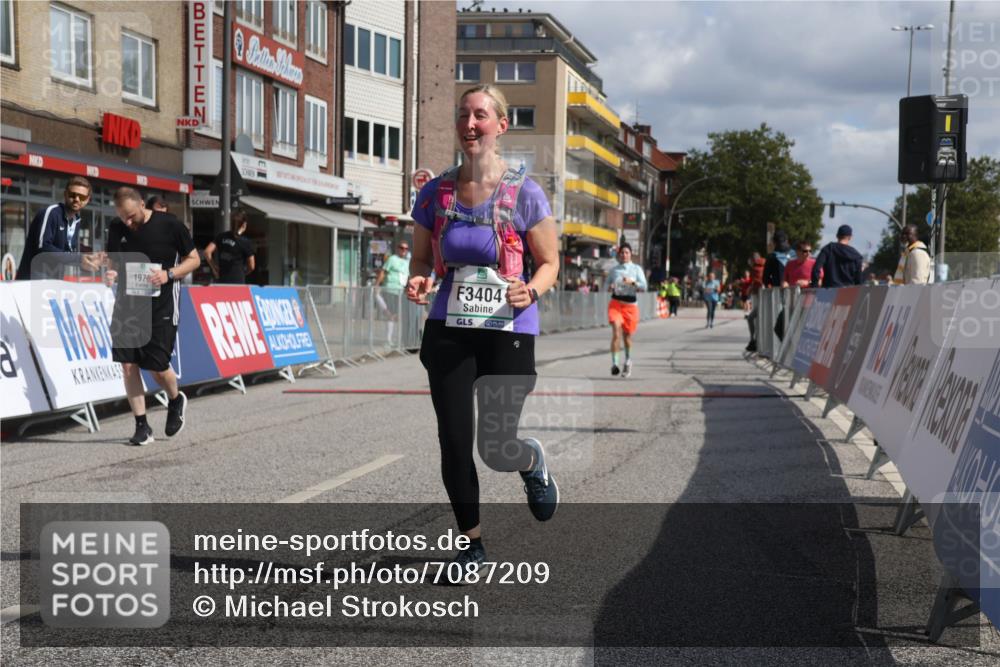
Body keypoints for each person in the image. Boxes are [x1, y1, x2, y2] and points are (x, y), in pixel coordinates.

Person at [406, 84, 561, 576]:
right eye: (463, 116)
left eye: (480, 116)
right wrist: (418, 278)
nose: (469, 124)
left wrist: (530, 291)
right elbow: (421, 258)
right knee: (454, 439)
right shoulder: (436, 193)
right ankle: (471, 544)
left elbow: (550, 262)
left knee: (496, 447)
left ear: (500, 125)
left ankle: (529, 461)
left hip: (509, 328)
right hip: (450, 326)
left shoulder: (525, 194)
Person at [103, 187, 200, 445]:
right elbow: (113, 264)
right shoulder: (117, 228)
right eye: (123, 217)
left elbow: (194, 260)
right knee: (127, 364)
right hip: (128, 302)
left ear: (142, 204)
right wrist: (110, 273)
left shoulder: (170, 225)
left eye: (132, 216)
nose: (128, 222)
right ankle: (142, 426)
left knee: (157, 366)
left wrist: (169, 274)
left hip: (162, 302)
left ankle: (175, 399)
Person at [16, 176, 92, 280]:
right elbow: (43, 247)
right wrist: (79, 258)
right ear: (65, 194)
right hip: (33, 280)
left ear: (87, 200)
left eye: (82, 197)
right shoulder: (51, 213)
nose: (76, 199)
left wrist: (89, 259)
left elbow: (66, 253)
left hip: (55, 280)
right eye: (72, 195)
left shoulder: (76, 221)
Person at [603, 243, 647, 378]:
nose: (624, 255)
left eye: (627, 252)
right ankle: (615, 364)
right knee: (616, 331)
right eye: (622, 252)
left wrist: (631, 282)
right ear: (619, 254)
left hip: (630, 306)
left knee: (627, 336)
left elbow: (644, 286)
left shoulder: (636, 269)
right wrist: (609, 286)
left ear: (630, 254)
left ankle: (628, 361)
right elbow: (605, 287)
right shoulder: (614, 270)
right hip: (616, 304)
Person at [204, 209, 255, 284]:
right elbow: (252, 266)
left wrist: (214, 267)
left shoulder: (221, 236)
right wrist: (244, 273)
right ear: (244, 224)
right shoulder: (245, 242)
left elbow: (207, 252)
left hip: (222, 280)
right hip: (238, 281)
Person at [375, 240, 411, 345]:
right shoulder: (392, 259)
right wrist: (377, 284)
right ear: (397, 248)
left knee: (394, 315)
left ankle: (391, 339)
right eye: (401, 247)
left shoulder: (407, 262)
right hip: (390, 289)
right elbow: (383, 272)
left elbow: (408, 277)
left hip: (400, 292)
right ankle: (388, 340)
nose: (403, 250)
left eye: (406, 248)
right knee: (390, 315)